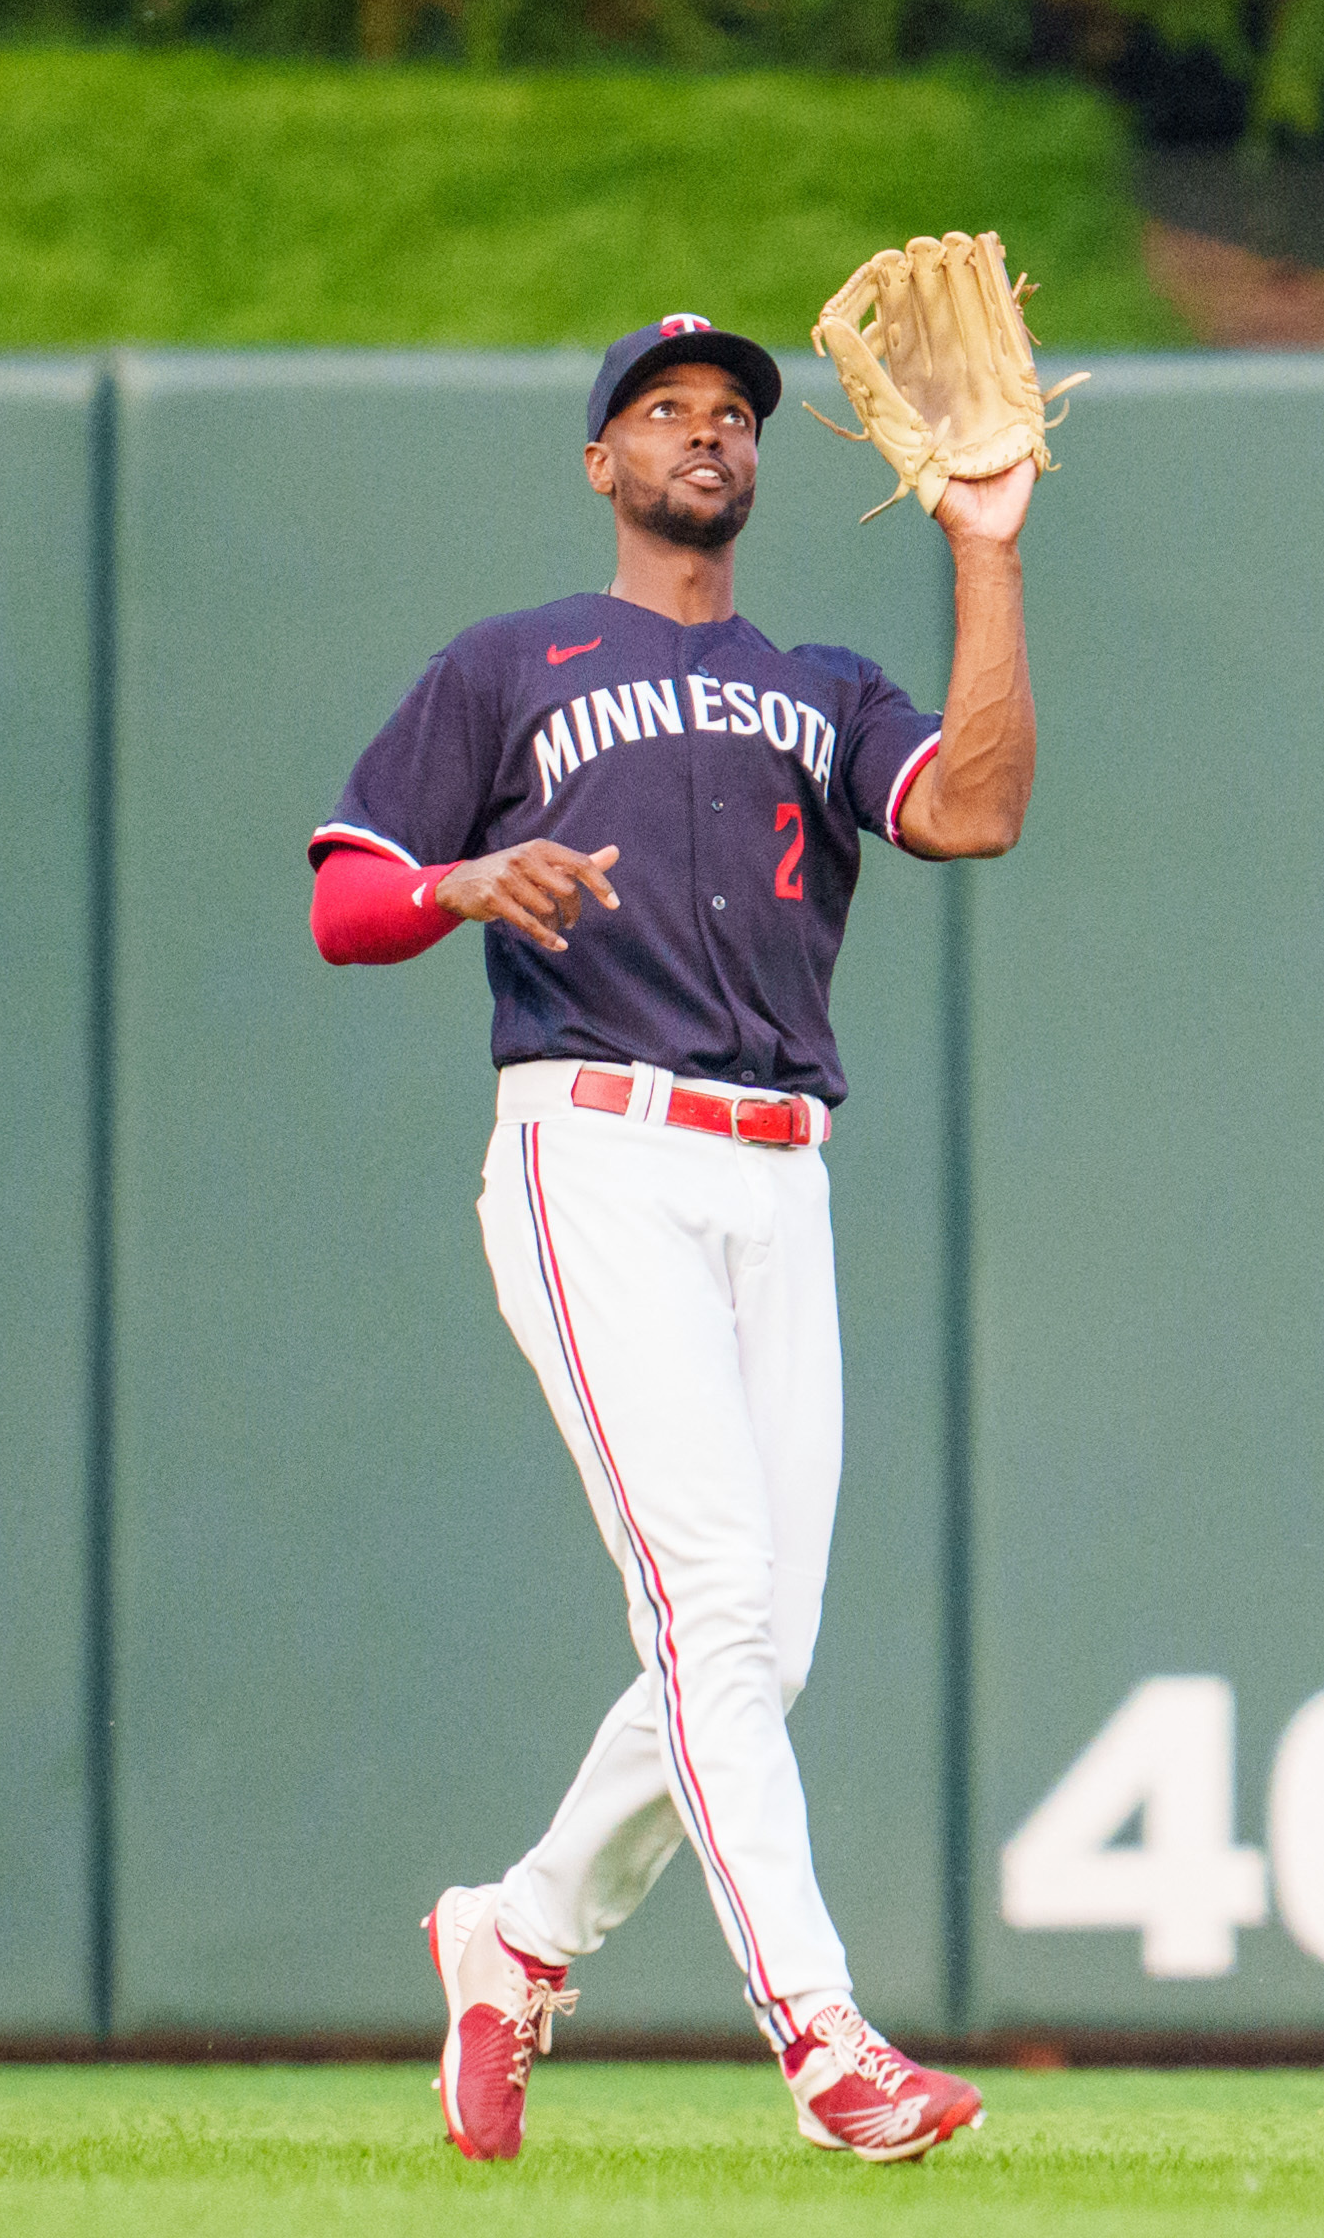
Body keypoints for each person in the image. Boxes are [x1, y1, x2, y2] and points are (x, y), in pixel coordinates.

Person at [306, 313, 1036, 2164]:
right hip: (597, 1152)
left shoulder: (828, 687)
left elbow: (981, 808)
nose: (706, 436)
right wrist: (463, 877)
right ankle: (824, 2039)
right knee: (713, 1609)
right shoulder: (514, 665)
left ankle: (518, 1933)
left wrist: (986, 540)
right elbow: (347, 899)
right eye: (664, 413)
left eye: (732, 416)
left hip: (779, 1175)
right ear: (600, 462)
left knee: (757, 1652)